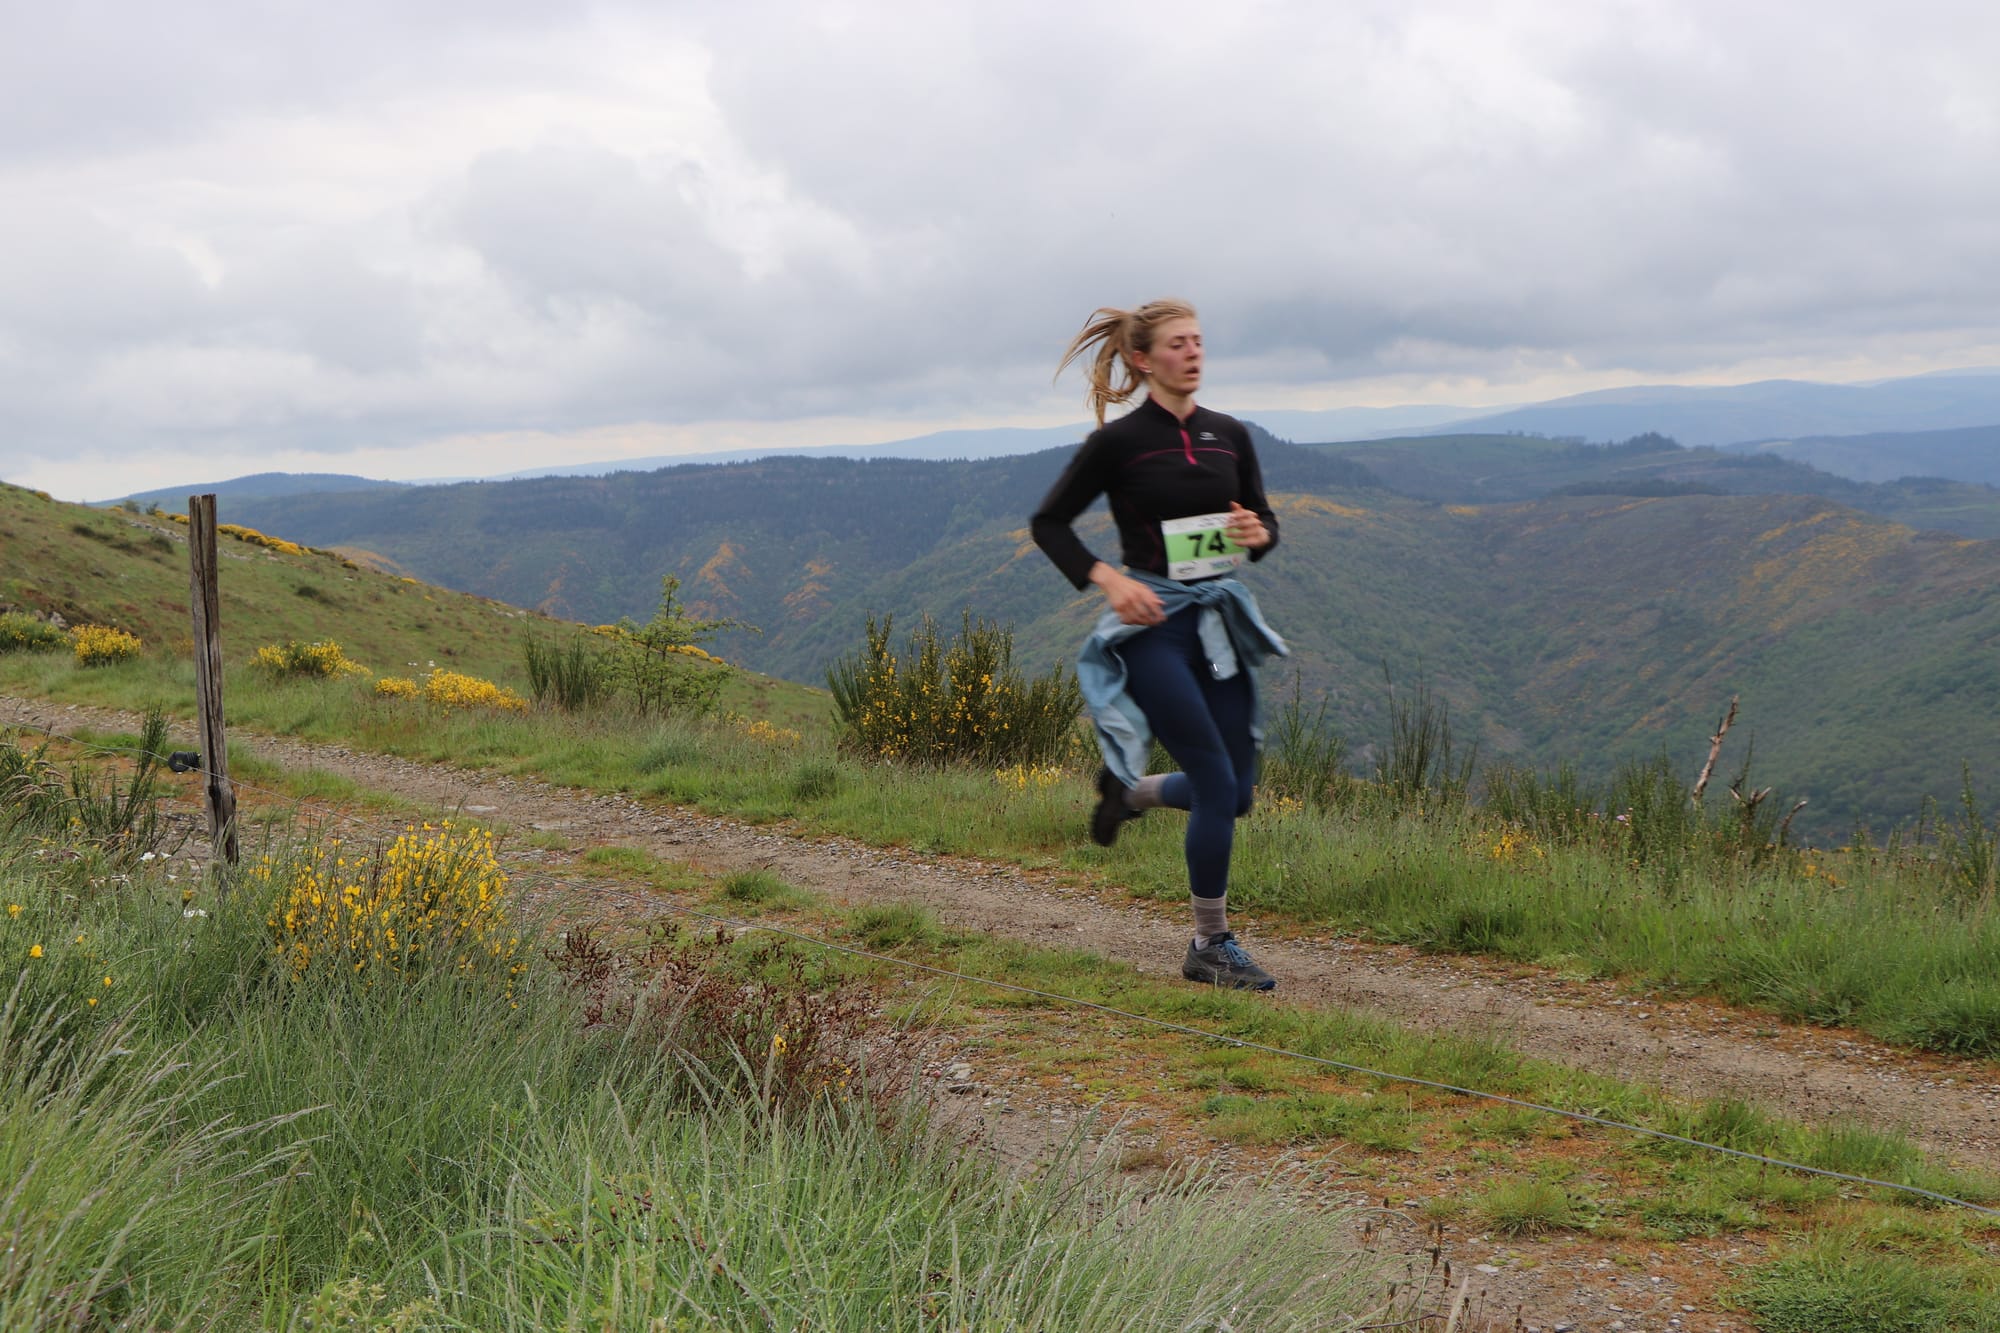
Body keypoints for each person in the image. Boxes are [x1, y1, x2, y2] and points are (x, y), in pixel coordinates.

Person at [1031, 299, 1289, 990]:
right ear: (1144, 359)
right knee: (1209, 776)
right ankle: (1210, 942)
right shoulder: (1118, 443)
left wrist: (1257, 533)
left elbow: (1261, 519)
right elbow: (1049, 522)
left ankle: (1130, 790)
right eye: (1179, 344)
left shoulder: (1229, 434)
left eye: (1200, 341)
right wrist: (1108, 578)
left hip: (1214, 622)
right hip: (1150, 629)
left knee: (1234, 793)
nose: (1194, 353)